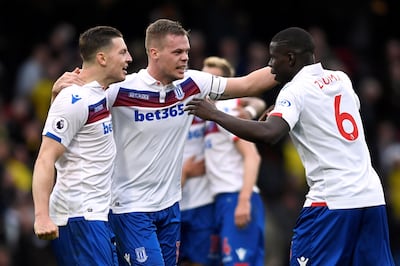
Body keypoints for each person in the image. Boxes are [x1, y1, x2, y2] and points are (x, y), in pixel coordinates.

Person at [52, 18, 278, 266]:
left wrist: (288, 63)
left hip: (171, 206)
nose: (185, 58)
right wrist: (57, 94)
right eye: (178, 52)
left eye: (187, 52)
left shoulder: (192, 83)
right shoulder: (120, 89)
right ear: (154, 53)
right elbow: (71, 115)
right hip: (129, 207)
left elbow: (248, 84)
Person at [185, 27, 396, 265]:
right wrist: (282, 111)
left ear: (291, 58)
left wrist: (215, 115)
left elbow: (270, 133)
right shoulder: (341, 78)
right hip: (371, 196)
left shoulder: (294, 90)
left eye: (274, 57)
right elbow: (329, 111)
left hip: (333, 199)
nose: (271, 65)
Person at [32, 25, 132, 266]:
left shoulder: (98, 94)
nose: (129, 58)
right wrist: (41, 216)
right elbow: (46, 157)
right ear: (102, 57)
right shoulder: (74, 98)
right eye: (123, 52)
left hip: (96, 215)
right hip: (79, 216)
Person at [179, 56, 266, 266]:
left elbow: (252, 156)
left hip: (234, 197)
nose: (208, 85)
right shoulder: (209, 117)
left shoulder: (226, 111)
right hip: (219, 200)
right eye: (206, 77)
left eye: (215, 79)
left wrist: (243, 201)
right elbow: (256, 101)